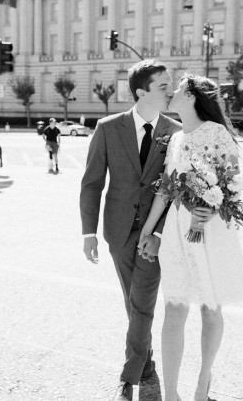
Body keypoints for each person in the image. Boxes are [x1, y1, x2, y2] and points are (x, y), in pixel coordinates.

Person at [79, 60, 212, 401]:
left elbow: (179, 191)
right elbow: (92, 183)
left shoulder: (176, 131)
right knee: (132, 300)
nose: (171, 91)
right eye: (163, 87)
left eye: (171, 85)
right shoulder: (108, 128)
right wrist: (88, 233)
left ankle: (129, 376)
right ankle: (146, 361)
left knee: (143, 302)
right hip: (117, 230)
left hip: (155, 235)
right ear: (141, 92)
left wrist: (159, 233)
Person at [138, 74, 243, 401]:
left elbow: (233, 182)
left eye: (179, 89)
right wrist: (148, 232)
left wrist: (214, 208)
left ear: (192, 96)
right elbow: (167, 189)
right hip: (176, 229)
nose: (172, 92)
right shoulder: (175, 139)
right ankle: (172, 394)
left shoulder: (216, 134)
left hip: (208, 230)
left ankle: (203, 382)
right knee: (174, 307)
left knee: (209, 307)